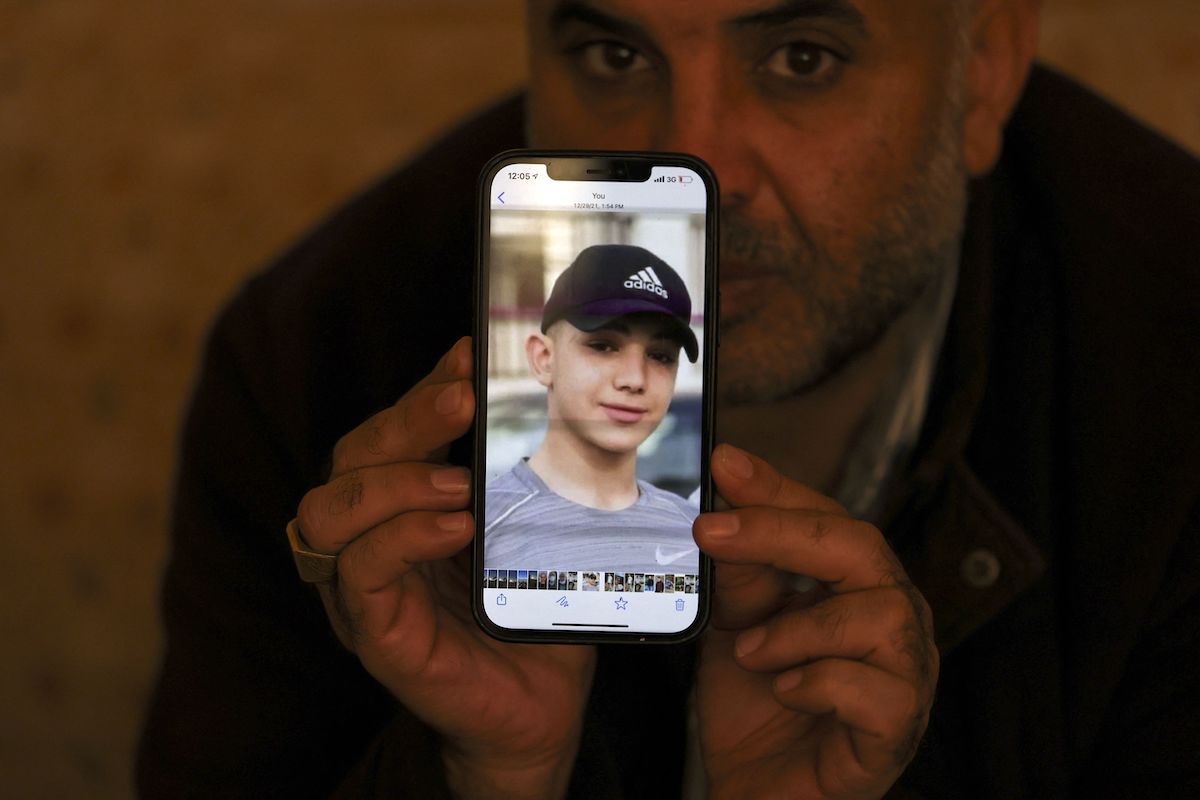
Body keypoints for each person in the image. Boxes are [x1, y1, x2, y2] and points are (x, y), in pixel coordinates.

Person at [137, 1, 1200, 798]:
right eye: (613, 54)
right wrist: (483, 779)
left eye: (801, 58)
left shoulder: (1168, 379)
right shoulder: (314, 357)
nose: (693, 156)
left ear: (984, 72)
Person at [484, 244, 700, 576]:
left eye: (660, 355)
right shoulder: (479, 525)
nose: (634, 379)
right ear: (544, 359)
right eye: (603, 346)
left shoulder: (693, 531)